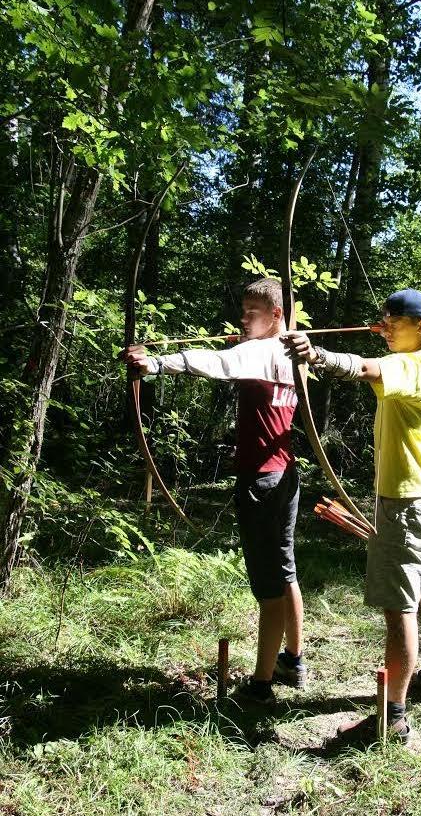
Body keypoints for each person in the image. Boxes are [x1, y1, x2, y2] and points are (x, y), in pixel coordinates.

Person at [283, 288, 421, 745]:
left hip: (403, 502)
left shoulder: (412, 364)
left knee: (399, 608)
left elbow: (364, 367)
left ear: (420, 325)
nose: (384, 330)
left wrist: (315, 354)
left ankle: (392, 715)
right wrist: (390, 333)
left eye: (393, 323)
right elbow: (385, 361)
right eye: (382, 321)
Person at [122, 278, 306, 703]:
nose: (243, 318)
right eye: (242, 311)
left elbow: (218, 363)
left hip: (261, 481)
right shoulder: (293, 352)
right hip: (286, 476)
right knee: (286, 570)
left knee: (269, 587)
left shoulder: (257, 352)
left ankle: (261, 685)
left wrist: (154, 364)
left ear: (277, 314)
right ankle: (293, 661)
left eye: (252, 312)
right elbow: (244, 358)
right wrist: (249, 339)